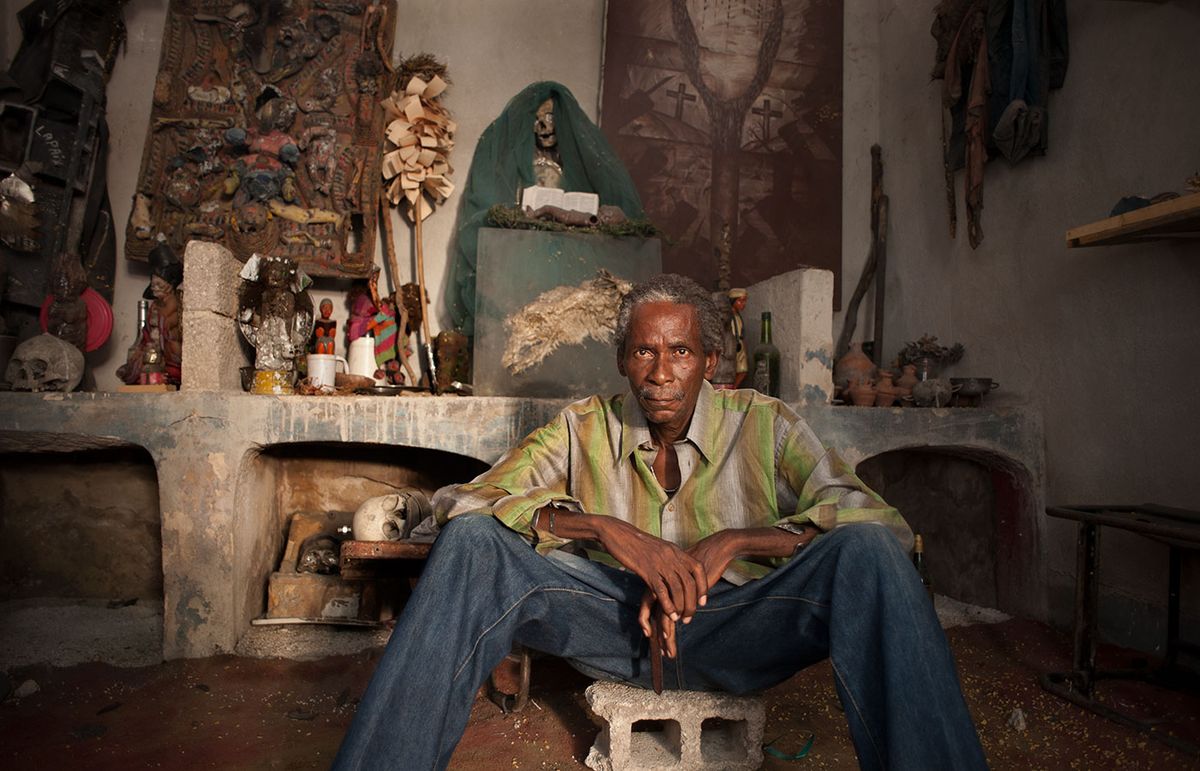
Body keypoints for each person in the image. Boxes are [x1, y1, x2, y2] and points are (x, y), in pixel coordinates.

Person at [333, 274, 986, 771]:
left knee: (869, 551)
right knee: (475, 541)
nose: (661, 372)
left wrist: (736, 541)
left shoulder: (764, 422)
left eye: (681, 350)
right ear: (622, 359)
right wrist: (605, 531)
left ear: (710, 362)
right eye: (644, 351)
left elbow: (885, 522)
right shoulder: (582, 425)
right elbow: (459, 502)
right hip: (614, 625)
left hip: (742, 626)